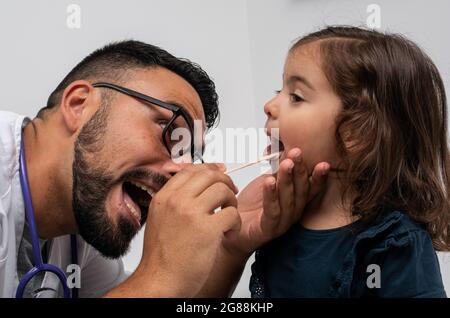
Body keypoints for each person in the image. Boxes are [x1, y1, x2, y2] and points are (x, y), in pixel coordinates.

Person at [0, 40, 329, 297]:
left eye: (188, 155)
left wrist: (231, 248)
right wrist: (159, 276)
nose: (179, 172)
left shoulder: (82, 222)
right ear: (79, 105)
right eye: (168, 131)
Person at [249, 26, 450, 298]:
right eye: (280, 89)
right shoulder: (278, 223)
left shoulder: (394, 243)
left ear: (357, 132)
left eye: (296, 96)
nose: (270, 105)